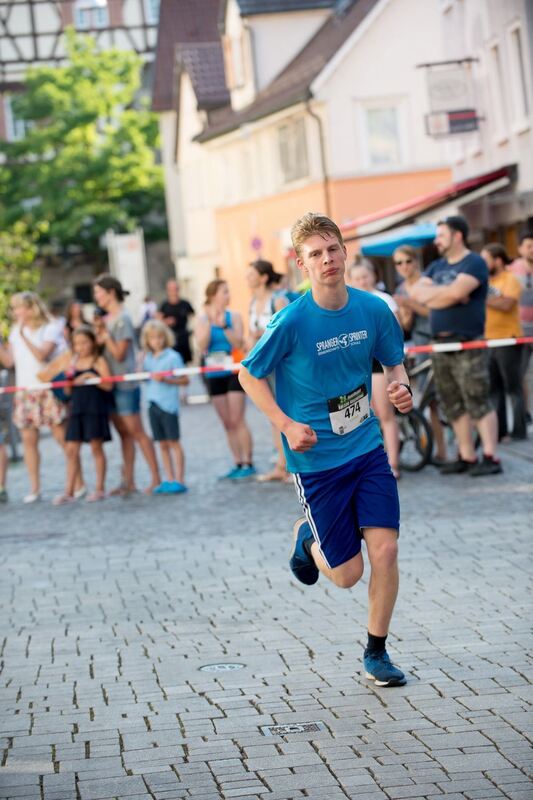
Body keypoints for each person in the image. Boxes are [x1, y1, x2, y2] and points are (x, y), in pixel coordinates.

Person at [239, 212, 413, 688]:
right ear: (302, 264)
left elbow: (395, 369)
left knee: (387, 549)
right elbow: (248, 375)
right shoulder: (292, 320)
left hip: (367, 448)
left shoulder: (374, 310)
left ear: (344, 251)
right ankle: (307, 540)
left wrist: (401, 391)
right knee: (346, 575)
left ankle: (376, 652)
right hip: (316, 462)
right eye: (315, 253)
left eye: (332, 248)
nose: (327, 259)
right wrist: (286, 424)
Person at [407, 216, 502, 476]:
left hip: (468, 342)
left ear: (457, 235)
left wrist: (444, 295)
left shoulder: (474, 262)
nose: (437, 240)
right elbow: (417, 294)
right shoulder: (436, 266)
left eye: (441, 235)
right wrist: (448, 294)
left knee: (477, 399)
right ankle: (467, 455)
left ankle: (491, 457)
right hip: (440, 344)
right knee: (452, 402)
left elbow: (456, 294)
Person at [0, 292, 84, 503]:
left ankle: (78, 483)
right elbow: (10, 362)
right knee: (29, 440)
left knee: (61, 438)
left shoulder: (50, 328)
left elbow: (42, 355)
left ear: (30, 308)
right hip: (25, 390)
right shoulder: (15, 333)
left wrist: (24, 335)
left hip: (46, 388)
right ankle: (35, 488)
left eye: (19, 307)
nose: (16, 312)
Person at [93, 274, 162, 495]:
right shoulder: (108, 319)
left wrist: (105, 337)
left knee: (137, 431)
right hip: (110, 383)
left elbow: (120, 354)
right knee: (124, 434)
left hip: (125, 383)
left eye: (99, 292)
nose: (96, 297)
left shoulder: (122, 318)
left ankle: (156, 478)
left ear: (110, 292)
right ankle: (129, 481)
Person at [195, 279, 255, 480]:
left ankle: (248, 461)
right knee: (227, 422)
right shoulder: (202, 320)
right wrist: (210, 324)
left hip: (233, 371)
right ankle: (237, 461)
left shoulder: (234, 317)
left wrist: (224, 326)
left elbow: (239, 342)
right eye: (224, 292)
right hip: (214, 373)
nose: (228, 296)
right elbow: (201, 345)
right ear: (213, 296)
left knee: (238, 418)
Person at [392, 245, 447, 464]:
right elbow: (407, 323)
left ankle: (454, 448)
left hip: (436, 340)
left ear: (416, 261)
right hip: (418, 343)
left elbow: (435, 312)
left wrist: (410, 304)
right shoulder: (400, 288)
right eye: (399, 263)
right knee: (428, 398)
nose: (404, 266)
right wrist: (404, 312)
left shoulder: (427, 282)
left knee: (444, 397)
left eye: (407, 261)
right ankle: (439, 450)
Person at [347, 260, 402, 478]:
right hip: (356, 365)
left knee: (385, 414)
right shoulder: (348, 302)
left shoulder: (383, 300)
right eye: (357, 277)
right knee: (361, 417)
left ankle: (393, 464)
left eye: (365, 276)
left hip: (378, 363)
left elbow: (395, 332)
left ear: (373, 276)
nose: (362, 280)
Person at [53, 326, 113, 505]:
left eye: (84, 342)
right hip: (77, 409)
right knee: (71, 450)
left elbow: (109, 385)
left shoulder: (98, 361)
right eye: (77, 343)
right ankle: (69, 491)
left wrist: (88, 377)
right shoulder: (72, 362)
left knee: (96, 448)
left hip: (94, 408)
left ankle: (100, 488)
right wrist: (73, 381)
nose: (81, 346)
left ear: (92, 343)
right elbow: (67, 390)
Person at [246, 259, 289, 482]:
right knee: (272, 415)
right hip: (262, 366)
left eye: (251, 274)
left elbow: (286, 330)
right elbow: (248, 334)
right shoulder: (253, 302)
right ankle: (281, 464)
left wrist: (261, 333)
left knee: (286, 412)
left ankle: (291, 465)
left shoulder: (278, 300)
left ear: (263, 277)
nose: (247, 278)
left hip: (280, 366)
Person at [481, 243, 526, 440]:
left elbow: (507, 304)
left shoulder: (511, 279)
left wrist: (483, 299)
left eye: (486, 260)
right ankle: (500, 433)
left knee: (513, 388)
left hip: (509, 339)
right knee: (494, 389)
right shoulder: (484, 282)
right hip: (487, 341)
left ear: (497, 260)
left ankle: (518, 431)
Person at [141, 319, 189, 494]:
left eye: (160, 337)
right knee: (162, 444)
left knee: (174, 442)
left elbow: (185, 379)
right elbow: (143, 377)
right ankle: (168, 478)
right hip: (152, 403)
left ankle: (180, 479)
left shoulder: (173, 357)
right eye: (153, 338)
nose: (157, 341)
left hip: (168, 405)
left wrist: (168, 380)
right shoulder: (147, 358)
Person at [510, 232, 533, 422]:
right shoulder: (512, 270)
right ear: (520, 249)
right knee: (521, 374)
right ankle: (525, 413)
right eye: (528, 246)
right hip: (520, 330)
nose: (531, 249)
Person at [159, 280, 195, 364]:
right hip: (170, 340)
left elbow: (194, 317)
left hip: (183, 339)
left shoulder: (185, 303)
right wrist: (166, 322)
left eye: (175, 289)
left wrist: (192, 330)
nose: (174, 292)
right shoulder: (164, 305)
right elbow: (158, 321)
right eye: (171, 289)